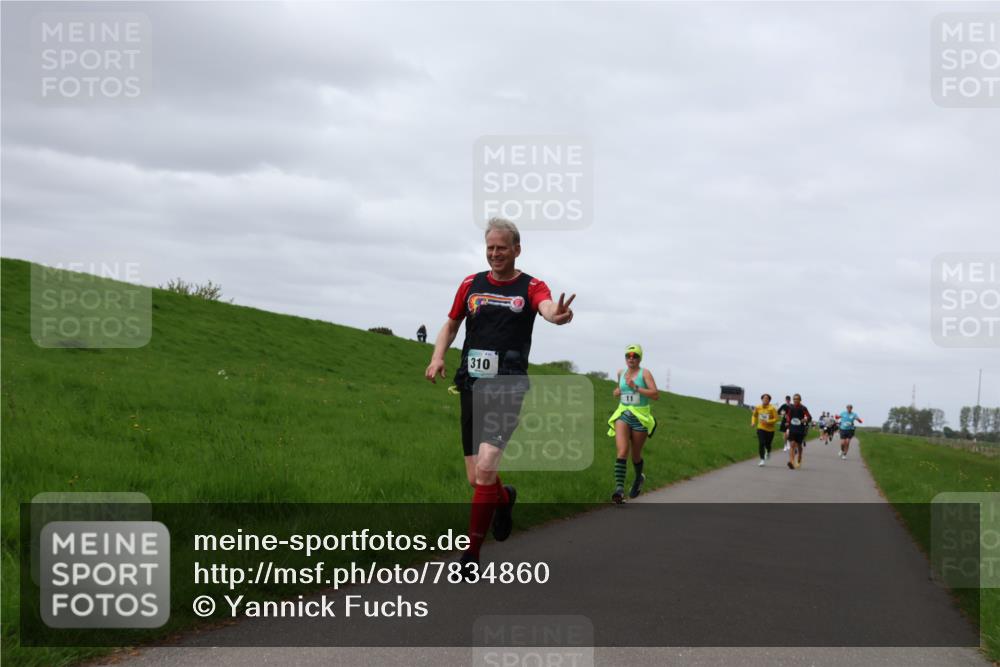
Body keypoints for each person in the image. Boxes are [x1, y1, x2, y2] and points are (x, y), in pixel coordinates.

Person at [424, 217, 575, 570]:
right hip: (471, 384)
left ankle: (471, 556)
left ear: (516, 250)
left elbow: (547, 307)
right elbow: (452, 323)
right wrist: (437, 356)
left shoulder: (531, 286)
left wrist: (558, 315)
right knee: (478, 478)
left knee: (488, 465)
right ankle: (504, 500)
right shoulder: (471, 284)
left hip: (508, 386)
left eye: (501, 248)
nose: (494, 254)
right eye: (490, 248)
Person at [606, 344, 659, 503]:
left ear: (639, 358)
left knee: (635, 455)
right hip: (623, 414)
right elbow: (620, 389)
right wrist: (617, 392)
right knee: (622, 451)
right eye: (628, 355)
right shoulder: (621, 373)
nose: (631, 358)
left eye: (635, 355)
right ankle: (619, 490)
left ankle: (638, 478)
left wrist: (635, 387)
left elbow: (655, 394)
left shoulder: (645, 373)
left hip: (640, 416)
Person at [783, 394, 812, 469]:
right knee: (792, 444)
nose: (795, 400)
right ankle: (791, 462)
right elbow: (789, 416)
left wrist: (805, 419)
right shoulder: (791, 408)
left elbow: (809, 417)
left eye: (797, 399)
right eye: (794, 399)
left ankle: (799, 456)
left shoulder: (803, 408)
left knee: (799, 446)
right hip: (792, 428)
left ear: (800, 400)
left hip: (800, 429)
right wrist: (787, 422)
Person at [751, 393, 778, 466]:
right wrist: (753, 422)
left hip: (770, 430)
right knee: (761, 443)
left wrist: (768, 421)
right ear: (762, 399)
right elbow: (754, 415)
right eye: (764, 398)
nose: (765, 399)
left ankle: (768, 452)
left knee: (768, 444)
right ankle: (762, 460)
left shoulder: (772, 408)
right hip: (761, 428)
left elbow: (776, 419)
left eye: (767, 399)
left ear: (769, 400)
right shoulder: (758, 407)